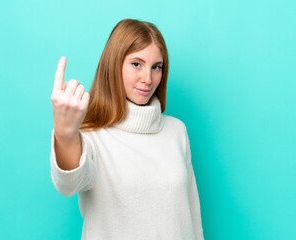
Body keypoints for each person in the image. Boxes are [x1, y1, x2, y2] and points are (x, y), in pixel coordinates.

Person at [50, 18, 204, 240]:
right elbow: (68, 184)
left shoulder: (176, 131)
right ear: (114, 64)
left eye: (156, 67)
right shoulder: (90, 135)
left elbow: (192, 218)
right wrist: (66, 133)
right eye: (136, 64)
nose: (148, 79)